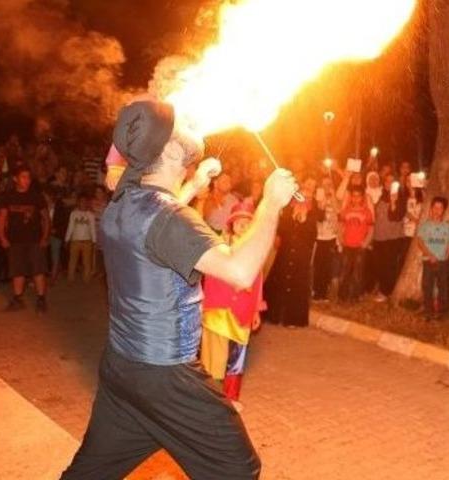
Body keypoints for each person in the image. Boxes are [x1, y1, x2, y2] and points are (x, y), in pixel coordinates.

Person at [62, 99, 298, 479]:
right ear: (168, 149)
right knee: (237, 470)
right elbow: (239, 270)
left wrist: (194, 185)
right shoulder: (171, 218)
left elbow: (153, 225)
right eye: (178, 125)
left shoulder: (121, 201)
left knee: (89, 474)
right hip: (166, 377)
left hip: (123, 369)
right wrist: (271, 203)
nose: (190, 121)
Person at [200, 202, 267, 411]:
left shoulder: (254, 252)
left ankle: (230, 398)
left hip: (243, 312)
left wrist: (256, 310)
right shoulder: (219, 246)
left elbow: (258, 281)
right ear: (232, 224)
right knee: (214, 358)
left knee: (236, 358)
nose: (244, 226)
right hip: (218, 309)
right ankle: (210, 399)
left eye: (249, 223)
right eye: (240, 222)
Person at [264, 178, 320, 327]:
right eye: (302, 197)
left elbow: (312, 236)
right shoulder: (288, 211)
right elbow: (281, 231)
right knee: (279, 281)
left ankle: (293, 319)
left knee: (297, 286)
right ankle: (274, 315)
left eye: (308, 198)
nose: (305, 200)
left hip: (301, 256)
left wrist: (304, 219)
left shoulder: (312, 215)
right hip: (286, 252)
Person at [0, 166, 50, 313]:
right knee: (17, 270)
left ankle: (41, 299)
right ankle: (17, 298)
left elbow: (45, 218)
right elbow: (2, 218)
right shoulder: (6, 196)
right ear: (15, 178)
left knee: (38, 270)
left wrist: (45, 237)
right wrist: (2, 237)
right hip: (15, 240)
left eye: (28, 177)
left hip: (34, 239)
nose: (26, 180)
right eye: (23, 177)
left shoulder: (36, 197)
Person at [416, 196, 449, 320]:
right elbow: (420, 242)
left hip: (442, 261)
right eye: (435, 207)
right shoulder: (425, 225)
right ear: (431, 209)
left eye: (440, 208)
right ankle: (428, 311)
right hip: (428, 261)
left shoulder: (448, 227)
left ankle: (442, 312)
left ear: (443, 210)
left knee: (443, 286)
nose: (438, 210)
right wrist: (429, 255)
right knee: (427, 286)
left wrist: (446, 254)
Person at [338, 186, 373, 302]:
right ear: (351, 197)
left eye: (358, 196)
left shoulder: (367, 212)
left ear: (362, 197)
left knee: (357, 272)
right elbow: (340, 225)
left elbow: (371, 229)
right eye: (353, 196)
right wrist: (340, 238)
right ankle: (342, 296)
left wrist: (366, 242)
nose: (356, 198)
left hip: (360, 246)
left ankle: (355, 296)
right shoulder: (346, 210)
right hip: (347, 245)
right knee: (344, 271)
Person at [312, 175, 339, 302]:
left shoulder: (334, 197)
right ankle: (317, 292)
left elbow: (338, 210)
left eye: (329, 184)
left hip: (331, 237)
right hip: (318, 237)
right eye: (324, 184)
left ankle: (323, 293)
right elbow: (318, 214)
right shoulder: (317, 198)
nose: (326, 186)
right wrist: (321, 199)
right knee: (318, 265)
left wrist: (332, 195)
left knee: (327, 266)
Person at [64, 194, 96, 283]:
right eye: (81, 201)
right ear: (78, 203)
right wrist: (67, 239)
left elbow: (92, 228)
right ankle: (70, 279)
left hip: (87, 241)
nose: (83, 203)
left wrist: (94, 241)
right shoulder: (74, 214)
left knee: (87, 262)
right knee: (72, 261)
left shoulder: (90, 214)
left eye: (85, 202)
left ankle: (87, 279)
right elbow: (70, 226)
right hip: (75, 241)